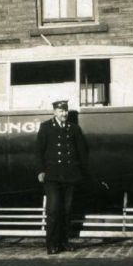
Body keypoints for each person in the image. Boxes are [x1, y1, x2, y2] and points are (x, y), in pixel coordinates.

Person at [36, 100, 89, 255]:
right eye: (60, 111)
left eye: (65, 111)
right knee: (53, 210)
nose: (64, 114)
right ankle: (52, 244)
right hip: (52, 177)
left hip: (70, 176)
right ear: (54, 112)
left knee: (67, 210)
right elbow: (38, 151)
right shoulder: (46, 127)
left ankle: (64, 242)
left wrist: (81, 172)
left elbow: (82, 152)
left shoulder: (74, 129)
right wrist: (40, 171)